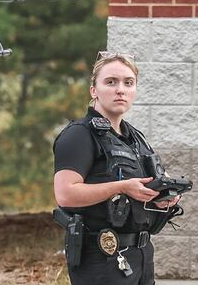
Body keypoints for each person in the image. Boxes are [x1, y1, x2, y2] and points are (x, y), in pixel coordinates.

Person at [53, 51, 182, 285]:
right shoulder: (79, 135)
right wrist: (122, 187)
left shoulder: (135, 138)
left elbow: (138, 194)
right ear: (94, 90)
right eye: (110, 82)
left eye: (128, 83)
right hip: (101, 257)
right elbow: (65, 194)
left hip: (141, 255)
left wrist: (161, 198)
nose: (120, 89)